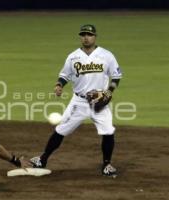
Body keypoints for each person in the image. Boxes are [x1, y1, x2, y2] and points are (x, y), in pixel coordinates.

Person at [30, 24, 122, 178]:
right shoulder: (73, 57)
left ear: (95, 37)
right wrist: (59, 85)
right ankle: (43, 159)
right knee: (60, 130)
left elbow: (116, 76)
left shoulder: (106, 55)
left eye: (89, 34)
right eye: (83, 34)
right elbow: (65, 75)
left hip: (100, 103)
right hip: (79, 102)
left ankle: (107, 164)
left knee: (108, 131)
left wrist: (108, 92)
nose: (86, 37)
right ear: (80, 37)